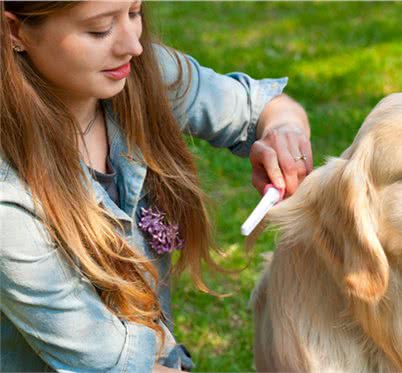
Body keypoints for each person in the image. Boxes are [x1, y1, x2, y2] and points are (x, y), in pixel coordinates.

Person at [0, 1, 312, 372]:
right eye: (100, 29)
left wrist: (283, 136)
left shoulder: (140, 74)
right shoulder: (9, 197)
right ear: (15, 32)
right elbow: (110, 363)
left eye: (134, 12)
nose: (133, 44)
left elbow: (264, 107)